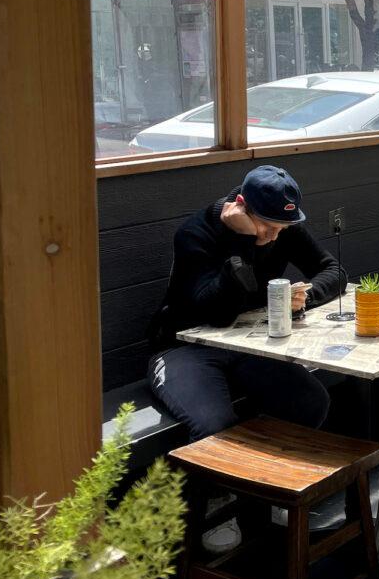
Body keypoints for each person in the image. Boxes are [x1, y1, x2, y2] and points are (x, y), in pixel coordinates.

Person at [148, 165, 345, 551]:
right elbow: (216, 312)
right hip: (185, 345)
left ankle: (270, 489)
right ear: (240, 207)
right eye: (264, 227)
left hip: (247, 343)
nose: (272, 237)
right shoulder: (195, 233)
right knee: (214, 425)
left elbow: (332, 269)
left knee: (309, 400)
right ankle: (217, 504)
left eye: (281, 229)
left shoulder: (280, 224)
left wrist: (302, 299)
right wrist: (242, 241)